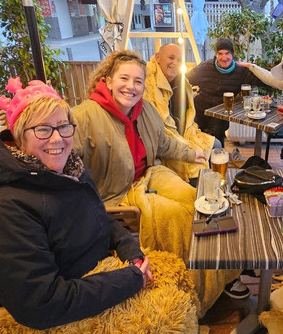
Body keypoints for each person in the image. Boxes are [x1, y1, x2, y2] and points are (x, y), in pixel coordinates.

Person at [0, 78, 152, 329]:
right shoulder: (4, 212)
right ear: (19, 137)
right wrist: (128, 280)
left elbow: (98, 218)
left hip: (96, 280)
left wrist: (131, 252)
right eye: (43, 129)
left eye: (63, 126)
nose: (57, 139)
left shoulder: (70, 172)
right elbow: (41, 305)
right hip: (54, 317)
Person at [71, 50, 242, 313]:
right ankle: (191, 288)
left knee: (198, 202)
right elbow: (64, 160)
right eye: (124, 79)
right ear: (108, 80)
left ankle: (217, 274)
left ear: (144, 85)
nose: (131, 87)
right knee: (175, 215)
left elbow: (163, 143)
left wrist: (191, 153)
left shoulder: (146, 110)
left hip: (150, 173)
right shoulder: (83, 116)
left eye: (138, 81)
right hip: (117, 192)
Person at [144, 43, 215, 185]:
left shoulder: (181, 83)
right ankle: (199, 194)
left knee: (217, 145)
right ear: (157, 57)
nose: (175, 63)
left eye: (179, 60)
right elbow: (160, 136)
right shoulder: (147, 86)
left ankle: (212, 187)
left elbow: (188, 117)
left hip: (185, 135)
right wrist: (187, 149)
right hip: (164, 146)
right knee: (199, 165)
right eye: (171, 58)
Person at [186, 37, 263, 145]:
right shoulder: (204, 67)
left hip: (220, 115)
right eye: (220, 54)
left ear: (232, 54)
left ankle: (218, 153)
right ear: (216, 54)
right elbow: (184, 80)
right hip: (200, 111)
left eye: (227, 53)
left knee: (215, 140)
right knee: (194, 140)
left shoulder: (240, 72)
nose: (224, 57)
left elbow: (263, 80)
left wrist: (251, 66)